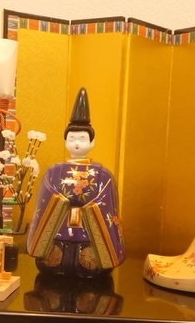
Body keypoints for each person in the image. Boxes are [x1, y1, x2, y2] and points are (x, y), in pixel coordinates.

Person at [26, 88, 124, 277]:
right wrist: (62, 200)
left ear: (92, 142)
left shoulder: (103, 174)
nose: (76, 143)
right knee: (54, 262)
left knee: (89, 264)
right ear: (65, 141)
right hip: (59, 229)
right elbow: (47, 192)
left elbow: (105, 197)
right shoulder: (54, 171)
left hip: (89, 233)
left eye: (82, 138)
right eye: (72, 138)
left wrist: (86, 203)